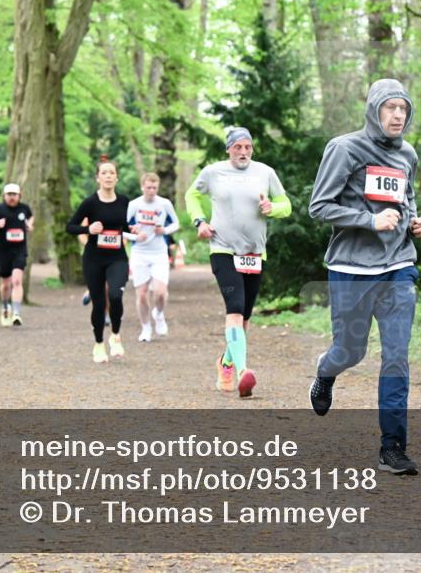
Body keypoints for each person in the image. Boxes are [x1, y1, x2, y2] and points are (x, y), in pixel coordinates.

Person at [308, 79, 421, 475]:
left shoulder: (407, 154)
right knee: (351, 352)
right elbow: (319, 206)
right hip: (350, 269)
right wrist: (369, 220)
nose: (398, 115)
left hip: (398, 266)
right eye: (390, 108)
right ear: (374, 110)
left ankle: (392, 447)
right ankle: (327, 371)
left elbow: (406, 198)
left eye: (404, 109)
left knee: (396, 355)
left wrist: (417, 222)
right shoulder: (345, 148)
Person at [185, 127, 291, 398]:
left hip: (255, 253)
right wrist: (200, 221)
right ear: (228, 149)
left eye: (247, 147)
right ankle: (244, 371)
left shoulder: (265, 172)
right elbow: (191, 196)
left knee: (243, 318)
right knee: (233, 308)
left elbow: (286, 204)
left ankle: (226, 363)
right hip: (223, 249)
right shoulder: (213, 172)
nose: (243, 152)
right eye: (238, 147)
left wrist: (272, 208)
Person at [66, 158, 132, 364]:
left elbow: (129, 227)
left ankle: (115, 335)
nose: (108, 176)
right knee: (99, 303)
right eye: (104, 173)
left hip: (117, 258)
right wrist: (88, 229)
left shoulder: (125, 202)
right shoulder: (90, 203)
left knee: (115, 295)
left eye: (112, 173)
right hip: (94, 259)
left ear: (117, 177)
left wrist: (135, 230)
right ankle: (98, 344)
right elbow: (70, 226)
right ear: (97, 178)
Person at [127, 172, 179, 342]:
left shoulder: (164, 203)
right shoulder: (134, 205)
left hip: (159, 253)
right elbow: (122, 228)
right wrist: (135, 236)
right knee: (141, 294)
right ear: (142, 187)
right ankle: (145, 328)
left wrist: (164, 230)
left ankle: (159, 314)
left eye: (154, 188)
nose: (151, 191)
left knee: (160, 292)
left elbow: (176, 223)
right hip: (139, 253)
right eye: (148, 187)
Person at [0, 183, 34, 327]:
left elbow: (30, 219)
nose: (11, 197)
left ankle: (16, 313)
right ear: (4, 196)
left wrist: (29, 225)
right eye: (9, 194)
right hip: (4, 251)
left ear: (19, 196)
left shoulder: (24, 209)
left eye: (14, 195)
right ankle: (5, 307)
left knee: (17, 281)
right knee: (5, 285)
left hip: (20, 251)